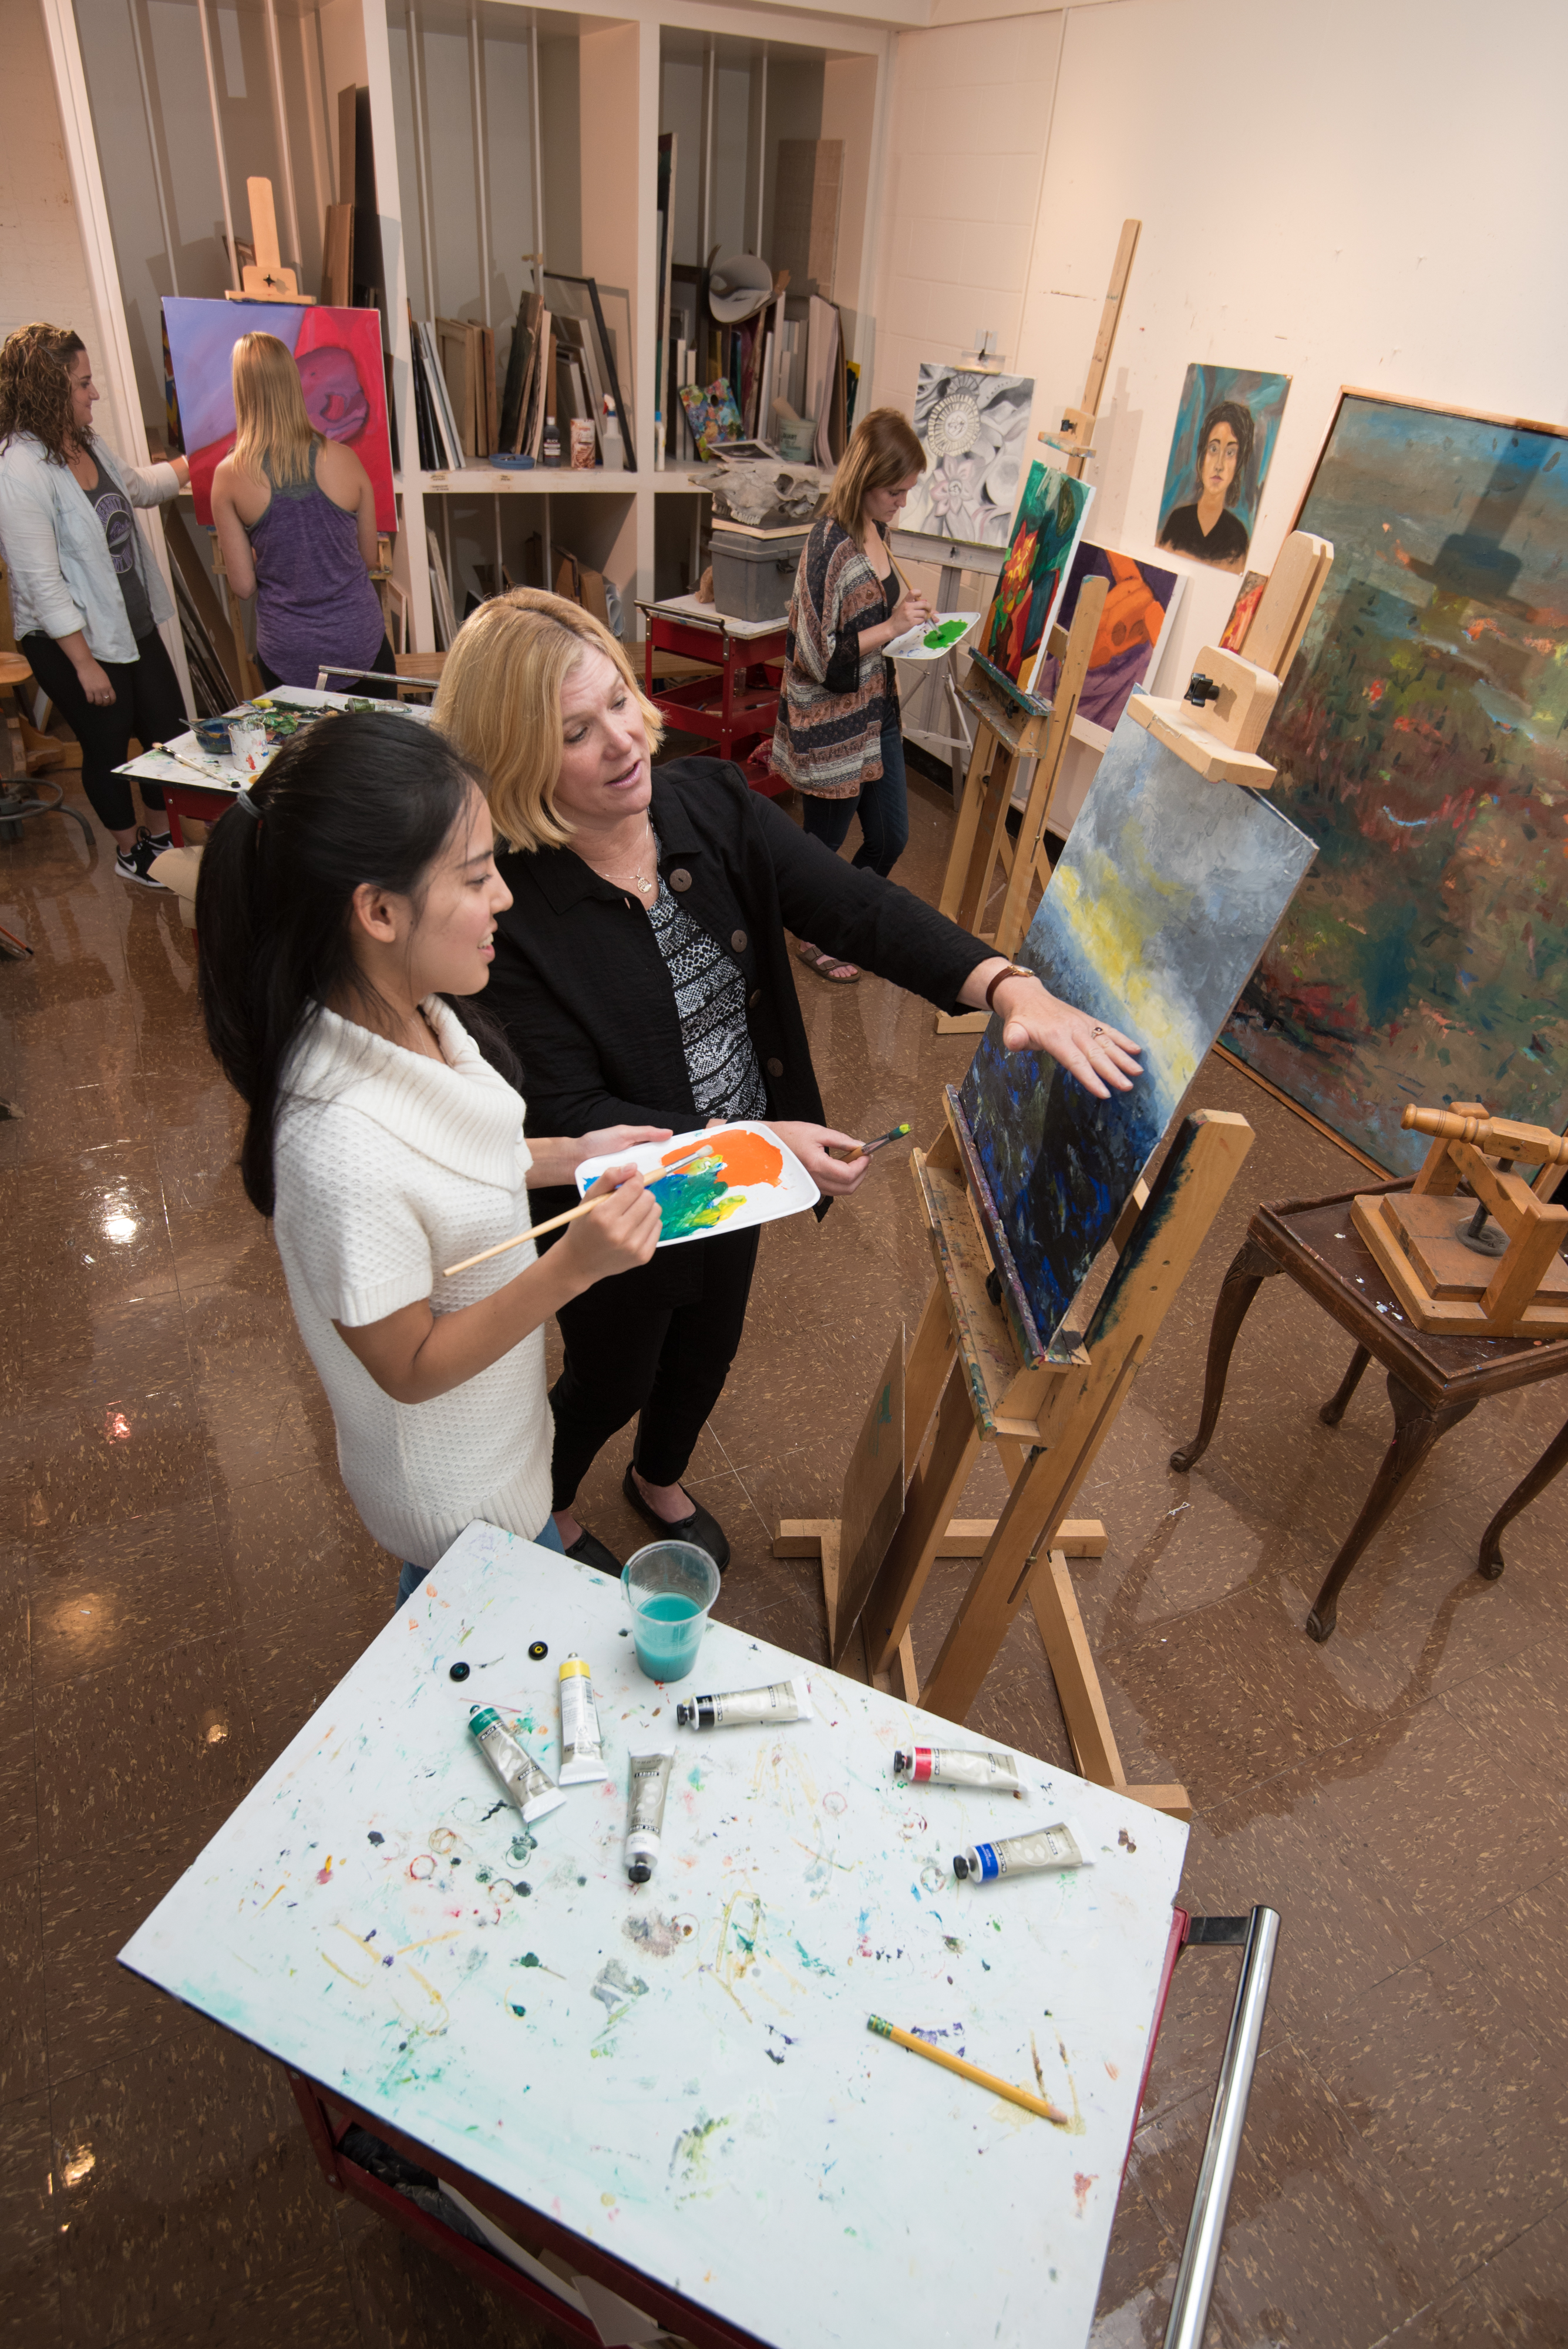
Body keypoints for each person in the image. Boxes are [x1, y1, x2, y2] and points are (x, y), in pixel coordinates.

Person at [433, 588, 1140, 1578]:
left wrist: (1003, 983)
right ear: (514, 763)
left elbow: (852, 906)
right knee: (612, 1372)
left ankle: (658, 1478)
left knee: (710, 1345)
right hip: (627, 1205)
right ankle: (547, 1503)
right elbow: (580, 1121)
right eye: (575, 734)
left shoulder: (710, 804)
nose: (625, 742)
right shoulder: (510, 916)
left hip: (742, 1183)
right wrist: (761, 1151)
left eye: (619, 705)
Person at [194, 711, 668, 1604]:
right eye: (477, 876)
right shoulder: (337, 1148)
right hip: (455, 1497)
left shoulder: (411, 1014)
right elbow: (407, 1366)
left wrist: (572, 1155)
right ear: (377, 910)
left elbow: (452, 1160)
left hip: (500, 1435)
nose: (504, 899)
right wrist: (576, 1265)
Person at [0, 322, 189, 885]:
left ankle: (160, 838)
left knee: (168, 731)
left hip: (130, 624)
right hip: (72, 642)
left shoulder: (85, 441)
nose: (95, 393)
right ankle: (132, 853)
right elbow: (39, 582)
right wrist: (84, 664)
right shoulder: (18, 469)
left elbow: (138, 488)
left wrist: (199, 463)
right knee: (107, 746)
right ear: (50, 389)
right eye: (84, 384)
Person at [772, 407, 934, 984]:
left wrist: (909, 619)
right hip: (835, 725)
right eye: (896, 491)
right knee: (825, 843)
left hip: (876, 713)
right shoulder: (827, 544)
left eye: (908, 491)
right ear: (865, 478)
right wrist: (892, 627)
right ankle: (811, 931)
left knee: (891, 837)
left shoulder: (878, 530)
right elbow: (818, 658)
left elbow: (876, 615)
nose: (903, 503)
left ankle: (836, 921)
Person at [211, 331, 395, 695]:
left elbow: (244, 586)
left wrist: (268, 548)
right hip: (360, 643)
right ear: (292, 382)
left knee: (307, 754)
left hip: (288, 655)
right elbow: (370, 557)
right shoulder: (345, 459)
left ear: (241, 391)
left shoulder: (229, 476)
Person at [1157, 400, 1254, 572]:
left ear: (1239, 463)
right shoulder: (1177, 522)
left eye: (1230, 453)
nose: (1219, 465)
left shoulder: (1238, 538)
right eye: (1214, 449)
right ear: (1202, 455)